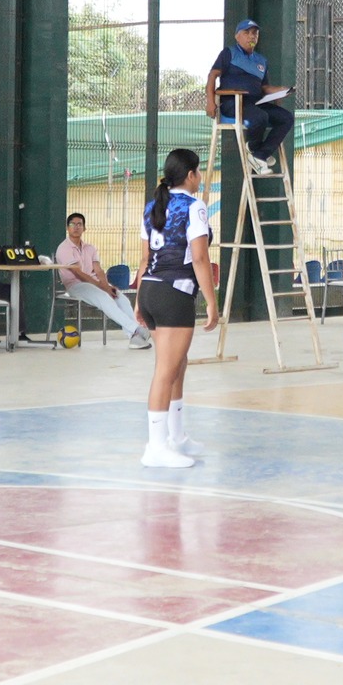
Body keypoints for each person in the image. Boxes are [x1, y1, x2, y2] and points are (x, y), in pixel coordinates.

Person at [133, 148, 219, 468]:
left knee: (177, 364)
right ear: (191, 175)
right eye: (198, 172)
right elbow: (199, 258)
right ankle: (155, 447)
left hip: (153, 290)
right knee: (165, 371)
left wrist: (139, 300)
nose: (200, 178)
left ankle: (177, 437)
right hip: (175, 293)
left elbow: (144, 261)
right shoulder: (194, 207)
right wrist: (212, 301)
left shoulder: (153, 206)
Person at [206, 18, 293, 177]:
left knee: (286, 118)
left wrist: (281, 91)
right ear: (237, 36)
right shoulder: (229, 53)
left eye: (255, 33)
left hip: (255, 103)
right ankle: (256, 151)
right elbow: (213, 75)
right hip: (233, 103)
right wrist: (210, 101)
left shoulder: (261, 61)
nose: (252, 36)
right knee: (260, 117)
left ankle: (260, 154)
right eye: (247, 32)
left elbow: (265, 87)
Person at [57, 212, 151, 348]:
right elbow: (78, 274)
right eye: (72, 224)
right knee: (105, 297)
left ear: (84, 228)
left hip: (95, 285)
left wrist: (106, 286)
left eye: (79, 224)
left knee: (121, 298)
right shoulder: (63, 248)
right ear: (67, 228)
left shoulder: (90, 248)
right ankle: (137, 329)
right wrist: (103, 288)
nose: (76, 227)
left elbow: (99, 270)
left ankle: (134, 338)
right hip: (76, 286)